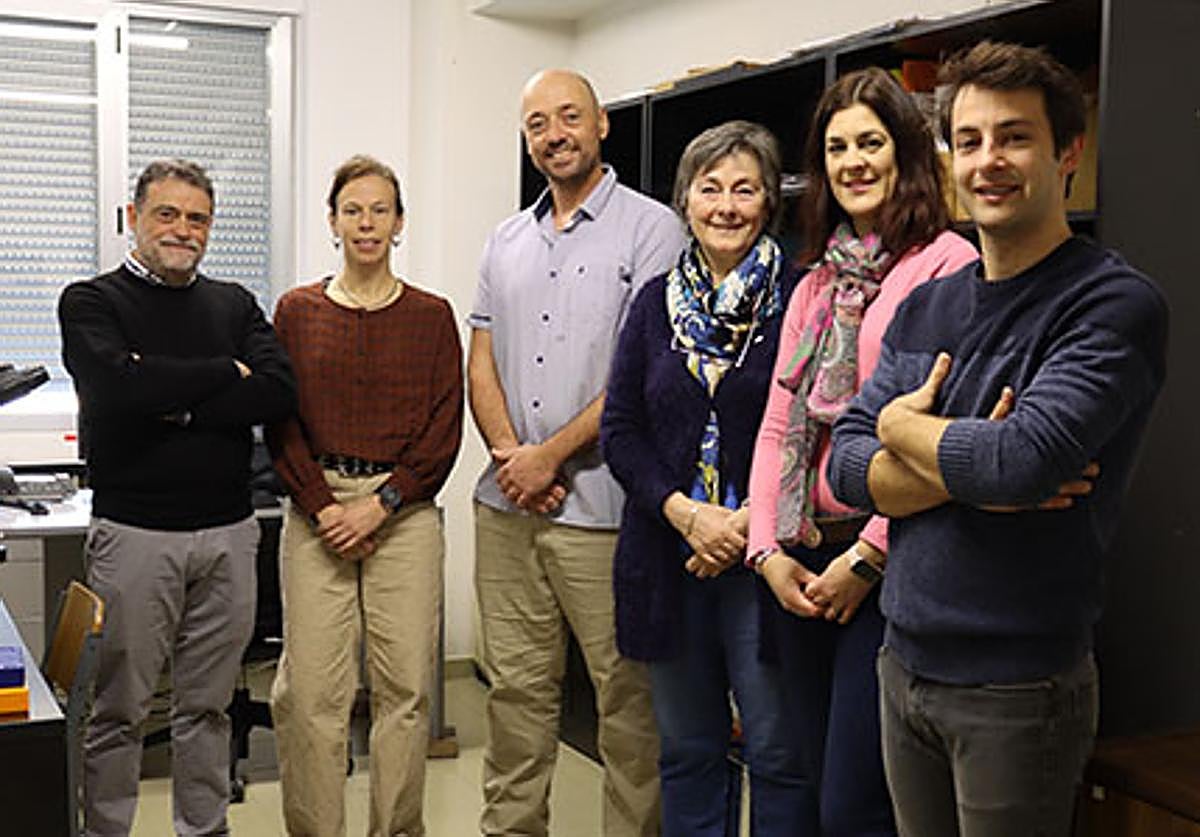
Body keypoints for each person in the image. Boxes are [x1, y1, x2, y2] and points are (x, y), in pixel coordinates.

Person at [827, 42, 1168, 837]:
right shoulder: (929, 306)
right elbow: (844, 464)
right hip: (902, 662)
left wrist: (902, 426)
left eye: (1015, 137)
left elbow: (1020, 463)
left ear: (1067, 153)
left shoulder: (1112, 304)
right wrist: (965, 458)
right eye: (970, 140)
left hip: (1017, 689)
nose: (989, 161)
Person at [746, 67, 977, 834]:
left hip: (889, 568)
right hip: (800, 560)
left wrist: (867, 557)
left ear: (904, 151)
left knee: (858, 803)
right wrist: (765, 550)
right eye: (836, 147)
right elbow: (778, 421)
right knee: (815, 786)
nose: (852, 162)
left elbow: (936, 432)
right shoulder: (815, 282)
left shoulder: (946, 265)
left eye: (870, 143)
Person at [468, 68, 684, 837]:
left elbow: (641, 372)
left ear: (601, 124)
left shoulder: (654, 229)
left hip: (607, 515)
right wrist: (511, 458)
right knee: (515, 696)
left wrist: (548, 457)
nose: (554, 134)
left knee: (627, 705)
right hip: (508, 510)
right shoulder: (505, 239)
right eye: (538, 123)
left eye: (568, 117)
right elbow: (481, 358)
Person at [57, 158, 297, 836]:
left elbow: (278, 390)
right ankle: (107, 829)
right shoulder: (91, 301)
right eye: (167, 214)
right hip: (135, 534)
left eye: (198, 218)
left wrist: (173, 399)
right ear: (135, 217)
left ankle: (204, 826)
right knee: (120, 709)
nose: (183, 229)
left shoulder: (234, 303)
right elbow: (117, 390)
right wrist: (225, 372)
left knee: (208, 707)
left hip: (228, 533)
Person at [600, 120, 807, 836]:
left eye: (744, 189)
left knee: (778, 750)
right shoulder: (653, 303)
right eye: (710, 188)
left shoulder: (803, 297)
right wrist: (688, 514)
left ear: (769, 200)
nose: (726, 206)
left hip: (768, 561)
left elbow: (813, 425)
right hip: (669, 556)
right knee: (688, 749)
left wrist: (746, 522)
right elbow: (620, 429)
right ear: (684, 199)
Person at [266, 154, 463, 837]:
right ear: (332, 221)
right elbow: (280, 421)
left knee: (404, 690)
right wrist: (325, 507)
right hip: (315, 511)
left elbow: (444, 426)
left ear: (400, 223)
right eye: (353, 210)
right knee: (311, 695)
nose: (367, 223)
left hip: (402, 514)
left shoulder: (432, 316)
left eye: (381, 210)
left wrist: (381, 505)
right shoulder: (296, 311)